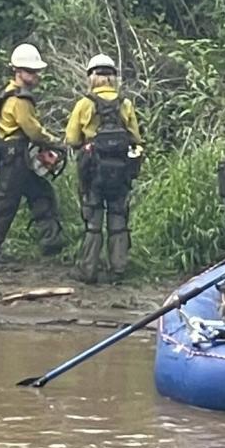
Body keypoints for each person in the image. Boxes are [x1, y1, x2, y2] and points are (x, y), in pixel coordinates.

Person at [63, 54, 144, 282]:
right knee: (118, 215)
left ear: (92, 77)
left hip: (93, 171)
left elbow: (71, 138)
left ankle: (88, 269)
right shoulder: (125, 104)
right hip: (120, 171)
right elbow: (136, 138)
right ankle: (118, 269)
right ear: (113, 78)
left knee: (93, 218)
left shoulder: (85, 104)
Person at [0, 42, 65, 266]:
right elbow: (33, 131)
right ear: (17, 71)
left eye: (36, 71)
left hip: (16, 157)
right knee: (5, 204)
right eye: (31, 71)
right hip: (15, 158)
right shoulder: (20, 100)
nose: (36, 75)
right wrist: (55, 142)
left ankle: (52, 242)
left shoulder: (9, 94)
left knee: (41, 194)